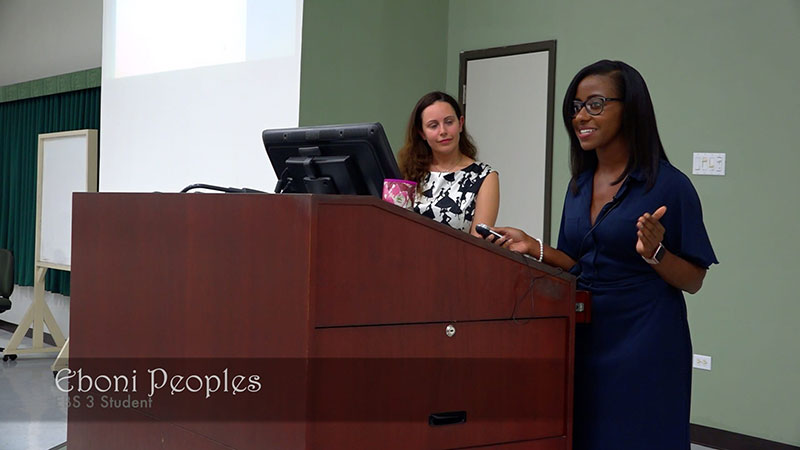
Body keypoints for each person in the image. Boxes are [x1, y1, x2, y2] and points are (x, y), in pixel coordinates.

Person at [485, 60, 717, 449]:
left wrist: (656, 252)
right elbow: (578, 265)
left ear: (631, 109)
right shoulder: (578, 186)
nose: (580, 117)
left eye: (595, 104)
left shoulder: (670, 186)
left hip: (645, 341)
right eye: (575, 107)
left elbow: (694, 280)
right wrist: (533, 246)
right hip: (586, 335)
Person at [397, 91, 499, 237]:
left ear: (460, 124)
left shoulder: (484, 177)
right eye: (433, 126)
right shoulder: (406, 173)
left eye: (449, 122)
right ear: (422, 133)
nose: (443, 131)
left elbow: (479, 245)